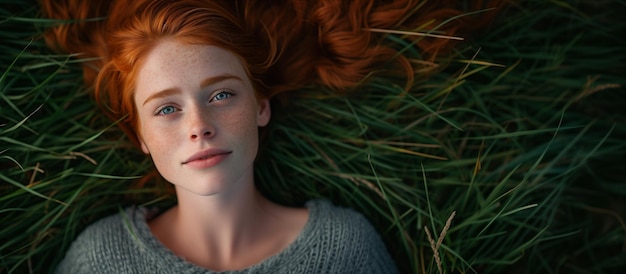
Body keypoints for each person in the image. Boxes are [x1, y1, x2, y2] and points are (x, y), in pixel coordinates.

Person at [41, 0, 501, 272]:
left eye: (221, 95)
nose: (198, 125)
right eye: (166, 108)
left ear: (261, 106)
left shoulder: (345, 248)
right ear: (140, 135)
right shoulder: (100, 258)